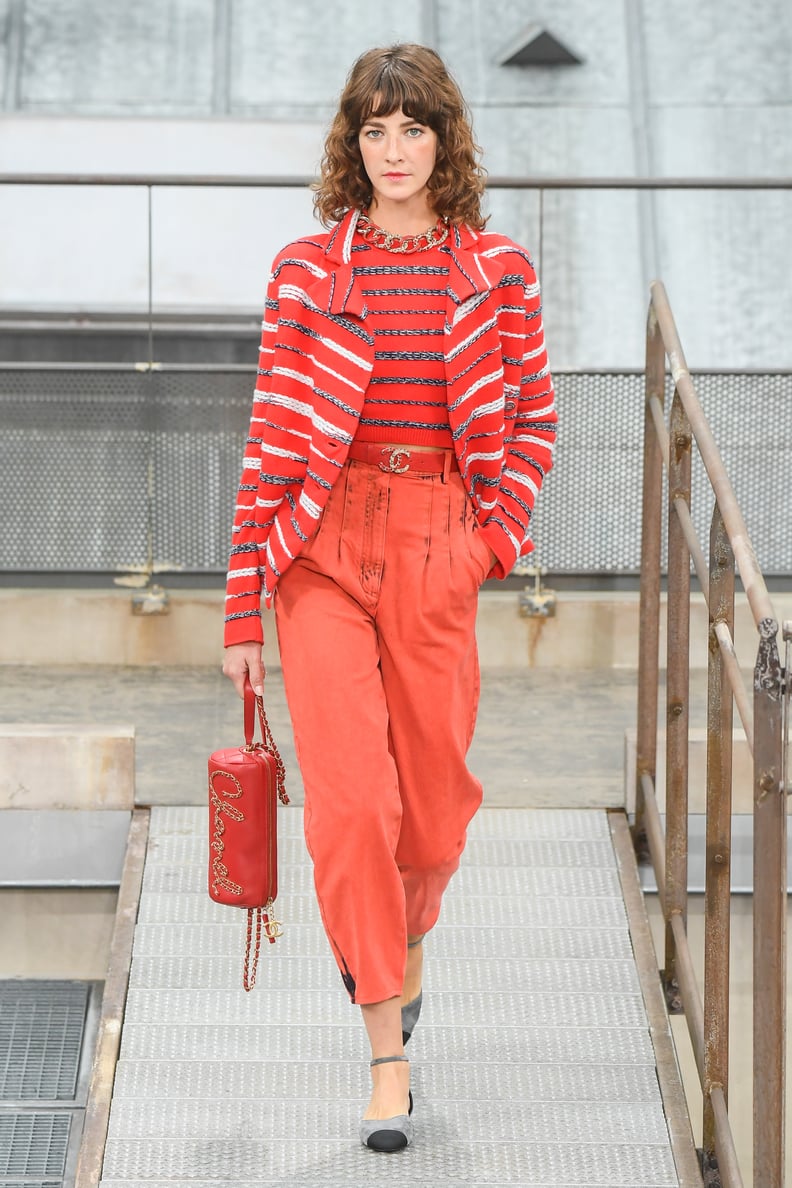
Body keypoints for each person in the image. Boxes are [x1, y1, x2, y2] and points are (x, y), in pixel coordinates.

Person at [222, 42, 557, 1153]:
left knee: (434, 818)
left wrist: (486, 543)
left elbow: (536, 424)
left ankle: (399, 953)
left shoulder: (496, 271)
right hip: (320, 551)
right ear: (351, 144)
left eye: (413, 128)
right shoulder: (307, 271)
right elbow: (270, 441)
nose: (394, 149)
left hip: (436, 546)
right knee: (352, 806)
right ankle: (387, 1051)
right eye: (375, 129)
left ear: (443, 141)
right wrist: (241, 610)